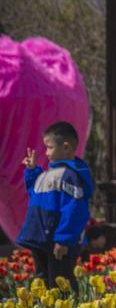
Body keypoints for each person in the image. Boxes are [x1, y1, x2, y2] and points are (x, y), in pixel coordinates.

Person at [16, 121, 94, 295]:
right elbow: (38, 197)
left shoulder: (70, 176)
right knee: (44, 283)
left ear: (66, 147)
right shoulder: (48, 173)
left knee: (61, 283)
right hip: (42, 240)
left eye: (49, 147)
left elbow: (75, 210)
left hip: (58, 243)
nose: (46, 152)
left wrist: (63, 240)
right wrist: (32, 172)